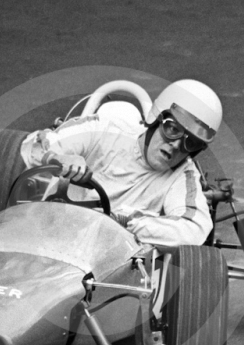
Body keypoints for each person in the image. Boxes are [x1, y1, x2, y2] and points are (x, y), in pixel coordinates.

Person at [19, 79, 223, 249]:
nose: (176, 145)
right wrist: (58, 158)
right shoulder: (103, 129)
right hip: (53, 230)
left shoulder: (183, 175)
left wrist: (125, 221)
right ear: (156, 119)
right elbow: (34, 145)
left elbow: (194, 229)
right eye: (172, 129)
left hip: (111, 257)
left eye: (191, 142)